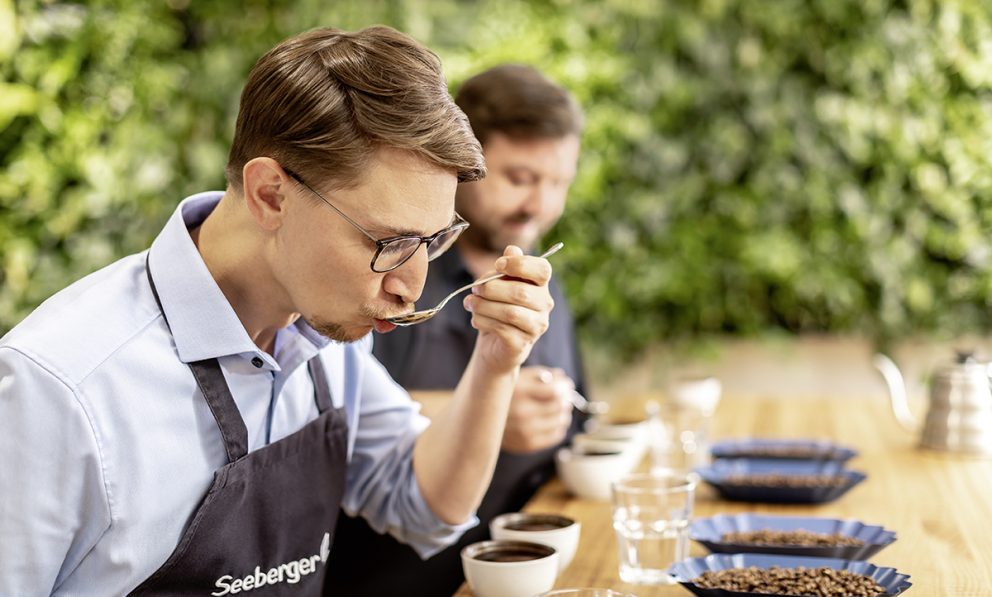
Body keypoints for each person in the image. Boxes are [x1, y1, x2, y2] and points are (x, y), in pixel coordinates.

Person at [0, 28, 558, 596]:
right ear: (271, 194)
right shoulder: (59, 388)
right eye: (388, 242)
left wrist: (496, 361)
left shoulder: (319, 329)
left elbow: (424, 504)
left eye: (434, 240)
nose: (411, 287)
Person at [326, 64, 586, 596]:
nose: (538, 205)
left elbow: (580, 417)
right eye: (519, 178)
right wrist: (488, 409)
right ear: (463, 165)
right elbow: (342, 417)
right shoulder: (389, 276)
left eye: (557, 182)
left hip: (527, 565)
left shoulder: (539, 279)